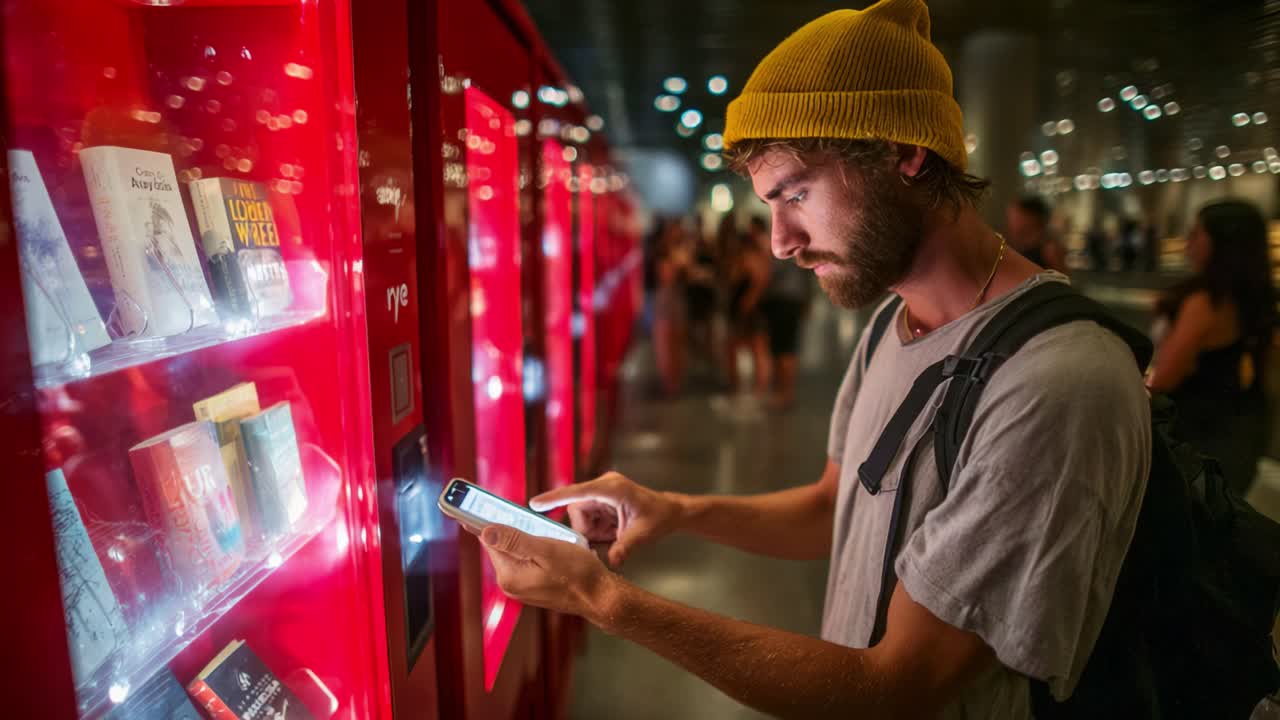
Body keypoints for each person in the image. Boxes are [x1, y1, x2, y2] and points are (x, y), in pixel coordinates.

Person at [468, 2, 1150, 717]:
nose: (779, 242)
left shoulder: (1057, 382)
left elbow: (899, 686)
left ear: (906, 154)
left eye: (797, 193)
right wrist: (675, 510)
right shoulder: (897, 321)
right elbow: (836, 508)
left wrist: (601, 600)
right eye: (769, 204)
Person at [1147, 199, 1276, 495]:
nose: (1187, 244)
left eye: (1196, 235)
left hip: (1196, 432)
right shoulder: (1255, 298)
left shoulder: (1205, 303)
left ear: (1221, 243)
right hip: (1242, 428)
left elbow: (1165, 377)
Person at [758, 215, 814, 410]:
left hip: (783, 301)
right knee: (785, 348)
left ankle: (785, 394)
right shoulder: (797, 243)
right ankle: (785, 393)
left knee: (784, 349)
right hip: (789, 301)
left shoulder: (780, 248)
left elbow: (770, 274)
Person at [725, 216, 772, 395]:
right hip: (744, 305)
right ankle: (746, 384)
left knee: (756, 345)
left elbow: (760, 281)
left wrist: (749, 299)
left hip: (750, 307)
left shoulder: (753, 256)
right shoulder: (749, 255)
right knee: (741, 345)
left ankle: (759, 386)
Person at [650, 218, 690, 396]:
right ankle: (668, 382)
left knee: (678, 343)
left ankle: (675, 381)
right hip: (665, 301)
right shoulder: (663, 253)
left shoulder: (680, 251)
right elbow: (666, 277)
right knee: (665, 344)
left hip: (677, 300)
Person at [1005, 194, 1068, 273]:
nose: (1011, 222)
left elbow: (1061, 281)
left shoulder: (1050, 249)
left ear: (1032, 218)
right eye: (1010, 217)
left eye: (1016, 217)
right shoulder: (1014, 245)